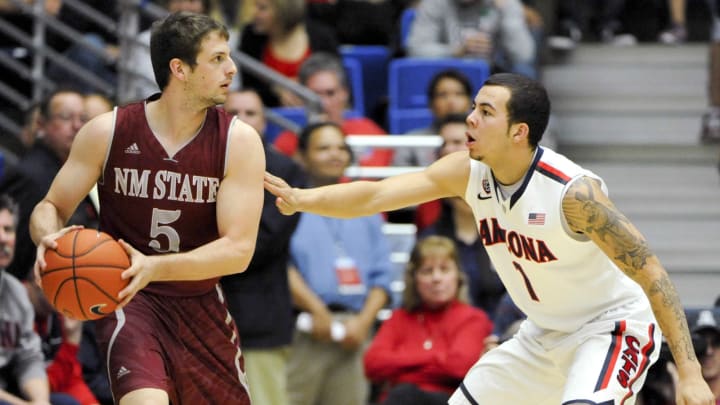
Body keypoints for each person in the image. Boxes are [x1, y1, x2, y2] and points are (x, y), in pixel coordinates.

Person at [264, 72, 715, 404]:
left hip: (611, 327)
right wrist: (305, 198)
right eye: (473, 107)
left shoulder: (573, 194)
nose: (469, 118)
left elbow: (652, 272)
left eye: (485, 111)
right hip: (543, 332)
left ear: (519, 131)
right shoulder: (467, 171)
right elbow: (380, 193)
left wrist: (690, 374)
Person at [29, 11, 265, 405]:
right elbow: (51, 205)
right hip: (129, 302)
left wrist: (155, 266)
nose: (232, 68)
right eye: (217, 58)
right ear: (180, 69)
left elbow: (239, 251)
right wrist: (49, 237)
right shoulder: (108, 131)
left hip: (201, 304)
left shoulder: (238, 142)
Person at [285, 122, 393, 405]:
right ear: (301, 156)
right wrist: (316, 310)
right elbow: (281, 268)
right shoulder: (287, 206)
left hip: (356, 331)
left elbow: (383, 275)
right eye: (323, 148)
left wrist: (363, 323)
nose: (335, 154)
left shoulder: (367, 205)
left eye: (341, 148)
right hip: (304, 327)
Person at [220, 88, 306, 405]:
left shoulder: (286, 171)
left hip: (259, 321)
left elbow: (260, 244)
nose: (242, 120)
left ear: (265, 122)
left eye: (251, 113)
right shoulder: (199, 162)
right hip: (202, 315)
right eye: (234, 113)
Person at [363, 235, 493, 405]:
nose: (436, 278)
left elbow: (459, 366)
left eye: (444, 269)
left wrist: (403, 363)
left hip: (450, 400)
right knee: (404, 394)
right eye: (427, 271)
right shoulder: (398, 318)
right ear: (414, 279)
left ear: (458, 276)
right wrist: (438, 357)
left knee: (406, 393)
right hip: (399, 399)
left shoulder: (473, 318)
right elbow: (373, 364)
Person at [0, 89, 98, 281]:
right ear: (41, 124)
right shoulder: (30, 175)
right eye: (66, 117)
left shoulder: (76, 171)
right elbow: (13, 250)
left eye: (83, 118)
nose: (77, 125)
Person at [415, 114, 505, 315]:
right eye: (444, 144)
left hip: (504, 334)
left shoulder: (509, 228)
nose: (448, 149)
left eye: (457, 142)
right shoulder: (431, 232)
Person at [0, 194, 79, 405]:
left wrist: (40, 401)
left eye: (8, 230)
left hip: (9, 389)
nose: (3, 238)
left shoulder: (15, 293)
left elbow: (29, 359)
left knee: (67, 403)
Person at [273, 52, 393, 166]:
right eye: (315, 95)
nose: (323, 103)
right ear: (302, 98)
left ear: (345, 94)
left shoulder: (370, 134)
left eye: (330, 93)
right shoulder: (287, 142)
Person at [239, 0, 339, 107]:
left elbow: (336, 83)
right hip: (269, 114)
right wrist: (275, 90)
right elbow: (248, 88)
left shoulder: (323, 37)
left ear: (284, 11)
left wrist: (304, 88)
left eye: (262, 8)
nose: (254, 13)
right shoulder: (251, 38)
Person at [406, 0, 537, 79]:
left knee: (523, 72)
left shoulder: (505, 4)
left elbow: (524, 55)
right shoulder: (435, 3)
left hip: (492, 72)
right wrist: (455, 51)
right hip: (445, 71)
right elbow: (415, 48)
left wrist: (507, 12)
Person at [392, 70, 474, 168]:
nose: (451, 101)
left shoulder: (484, 139)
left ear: (470, 102)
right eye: (443, 95)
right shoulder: (412, 141)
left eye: (459, 94)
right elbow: (397, 180)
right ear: (431, 104)